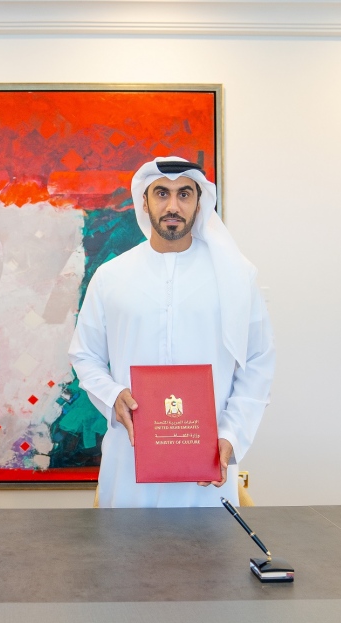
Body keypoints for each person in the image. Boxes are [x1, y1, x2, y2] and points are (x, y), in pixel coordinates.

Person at [68, 157, 275, 508]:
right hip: (130, 456)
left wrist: (231, 434)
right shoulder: (111, 276)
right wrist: (112, 394)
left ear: (199, 202)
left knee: (207, 544)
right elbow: (85, 354)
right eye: (162, 193)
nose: (173, 206)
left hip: (208, 460)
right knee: (127, 543)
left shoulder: (236, 276)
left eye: (184, 194)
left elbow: (258, 360)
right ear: (144, 201)